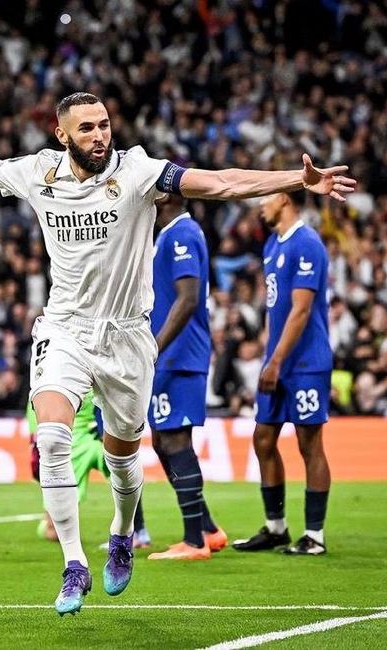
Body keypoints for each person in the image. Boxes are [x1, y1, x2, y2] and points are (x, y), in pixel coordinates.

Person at [0, 92, 355, 614]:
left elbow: (220, 182)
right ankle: (73, 564)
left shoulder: (138, 172)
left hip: (129, 337)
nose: (99, 136)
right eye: (86, 128)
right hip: (64, 329)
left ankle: (119, 532)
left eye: (104, 125)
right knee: (52, 437)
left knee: (123, 458)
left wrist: (296, 180)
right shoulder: (37, 172)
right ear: (62, 134)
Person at [232, 191, 333, 556]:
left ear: (286, 200)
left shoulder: (307, 243)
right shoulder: (273, 245)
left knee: (309, 444)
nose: (260, 204)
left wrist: (275, 360)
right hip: (277, 359)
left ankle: (315, 535)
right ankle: (276, 528)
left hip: (306, 362)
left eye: (266, 198)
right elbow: (276, 310)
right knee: (263, 439)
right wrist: (269, 354)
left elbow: (302, 312)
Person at [146, 195, 227, 561]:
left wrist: (156, 346)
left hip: (179, 356)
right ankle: (208, 529)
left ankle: (194, 541)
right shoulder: (169, 234)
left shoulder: (182, 233)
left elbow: (188, 297)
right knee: (164, 442)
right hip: (173, 357)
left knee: (175, 441)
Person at [27, 391, 151, 547]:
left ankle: (137, 532)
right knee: (125, 475)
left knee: (126, 474)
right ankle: (138, 532)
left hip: (88, 439)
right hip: (77, 440)